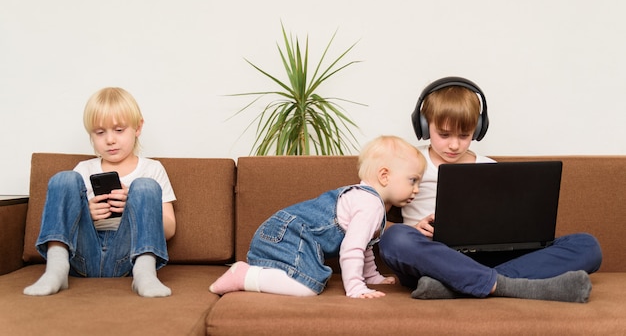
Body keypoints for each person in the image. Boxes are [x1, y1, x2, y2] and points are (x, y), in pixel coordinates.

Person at [379, 77, 602, 303]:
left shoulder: (490, 168)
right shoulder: (407, 162)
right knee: (396, 239)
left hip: (487, 257)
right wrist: (413, 229)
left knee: (587, 246)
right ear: (425, 125)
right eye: (444, 135)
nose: (454, 145)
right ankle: (505, 285)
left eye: (464, 135)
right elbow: (367, 211)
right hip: (432, 258)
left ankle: (453, 287)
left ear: (477, 129)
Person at [209, 135, 426, 298]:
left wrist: (372, 278)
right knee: (309, 286)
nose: (416, 189)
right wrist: (356, 287)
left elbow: (366, 244)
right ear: (384, 176)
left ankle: (256, 272)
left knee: (304, 280)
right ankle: (245, 276)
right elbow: (352, 248)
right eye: (413, 180)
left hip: (283, 233)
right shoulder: (369, 204)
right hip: (290, 234)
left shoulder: (370, 202)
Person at [24, 87, 176, 298]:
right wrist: (86, 212)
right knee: (63, 178)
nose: (110, 140)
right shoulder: (84, 169)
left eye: (119, 130)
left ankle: (145, 273)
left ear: (138, 127)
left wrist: (132, 208)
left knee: (145, 186)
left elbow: (169, 229)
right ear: (91, 135)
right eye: (100, 132)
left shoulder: (153, 169)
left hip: (128, 257)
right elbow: (65, 219)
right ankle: (56, 269)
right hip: (83, 256)